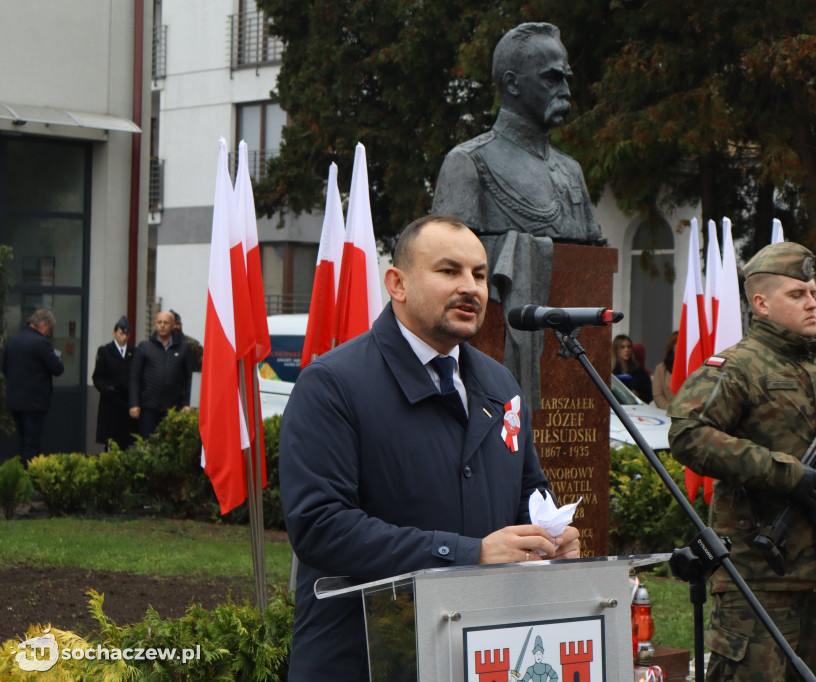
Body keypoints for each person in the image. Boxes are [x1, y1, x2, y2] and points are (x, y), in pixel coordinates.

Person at [279, 214, 581, 681]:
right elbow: (321, 526)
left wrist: (549, 534)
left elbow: (529, 489)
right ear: (397, 284)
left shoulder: (499, 383)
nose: (472, 288)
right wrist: (467, 553)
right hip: (364, 659)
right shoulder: (333, 385)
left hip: (480, 653)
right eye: (449, 271)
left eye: (480, 275)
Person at [667, 241, 816, 682]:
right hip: (758, 583)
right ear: (762, 304)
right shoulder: (738, 367)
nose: (812, 303)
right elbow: (687, 433)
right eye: (797, 294)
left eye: (813, 292)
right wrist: (781, 471)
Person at [432, 22, 603, 410]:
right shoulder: (469, 162)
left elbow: (591, 251)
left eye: (567, 78)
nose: (566, 90)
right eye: (552, 78)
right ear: (511, 83)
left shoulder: (571, 170)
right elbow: (445, 264)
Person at [2, 308, 64, 465]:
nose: (49, 333)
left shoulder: (13, 342)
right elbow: (58, 369)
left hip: (15, 401)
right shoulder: (41, 343)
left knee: (23, 440)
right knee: (32, 443)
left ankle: (16, 475)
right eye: (49, 329)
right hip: (34, 402)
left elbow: (5, 368)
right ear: (43, 325)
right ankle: (28, 479)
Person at [129, 311, 194, 438]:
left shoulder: (184, 348)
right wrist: (134, 403)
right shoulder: (145, 347)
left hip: (174, 409)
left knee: (170, 447)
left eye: (166, 322)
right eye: (159, 322)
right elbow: (134, 377)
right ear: (155, 324)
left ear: (173, 325)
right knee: (146, 446)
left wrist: (187, 403)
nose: (162, 326)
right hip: (149, 408)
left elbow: (189, 378)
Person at [92, 315, 137, 449]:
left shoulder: (133, 352)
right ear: (115, 333)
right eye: (121, 333)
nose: (123, 337)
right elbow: (97, 378)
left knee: (126, 439)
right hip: (110, 402)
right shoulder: (105, 351)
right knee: (110, 440)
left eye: (126, 334)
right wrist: (108, 389)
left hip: (126, 401)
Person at [611, 334, 653, 404]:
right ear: (616, 349)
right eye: (622, 347)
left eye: (629, 347)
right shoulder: (610, 370)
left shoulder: (640, 371)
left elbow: (649, 395)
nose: (627, 350)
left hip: (635, 406)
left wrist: (637, 395)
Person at [652, 331, 678, 410]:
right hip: (667, 415)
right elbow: (658, 395)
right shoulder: (661, 369)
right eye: (678, 344)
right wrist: (671, 410)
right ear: (672, 347)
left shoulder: (695, 368)